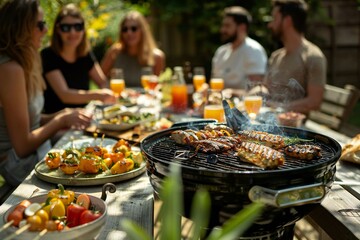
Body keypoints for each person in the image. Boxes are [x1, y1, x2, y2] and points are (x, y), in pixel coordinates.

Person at [0, 0, 92, 188]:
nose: (45, 30)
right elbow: (23, 145)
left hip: (38, 149)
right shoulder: (9, 69)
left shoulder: (25, 61)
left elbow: (31, 119)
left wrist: (62, 114)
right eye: (40, 24)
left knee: (91, 146)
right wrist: (61, 120)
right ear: (21, 27)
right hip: (17, 164)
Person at [41, 3, 116, 114]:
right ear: (57, 30)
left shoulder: (85, 54)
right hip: (57, 122)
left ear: (83, 29)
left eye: (78, 27)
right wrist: (98, 95)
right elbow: (65, 95)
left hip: (85, 116)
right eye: (66, 27)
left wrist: (108, 92)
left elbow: (102, 82)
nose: (72, 32)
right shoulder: (48, 55)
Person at [264, 0, 326, 114]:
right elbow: (266, 87)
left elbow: (314, 101)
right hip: (268, 119)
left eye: (274, 18)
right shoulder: (276, 56)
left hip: (294, 126)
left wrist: (279, 107)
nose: (270, 24)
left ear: (287, 21)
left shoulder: (313, 57)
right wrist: (252, 94)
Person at [101, 10, 165, 87]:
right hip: (118, 97)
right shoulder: (114, 52)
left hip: (145, 98)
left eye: (134, 28)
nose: (129, 33)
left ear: (143, 30)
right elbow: (101, 80)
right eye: (125, 29)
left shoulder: (157, 57)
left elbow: (158, 85)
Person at [211, 6, 267, 90]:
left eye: (227, 26)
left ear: (242, 27)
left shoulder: (254, 51)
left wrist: (232, 93)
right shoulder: (221, 52)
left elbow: (257, 90)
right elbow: (213, 85)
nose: (222, 30)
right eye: (223, 26)